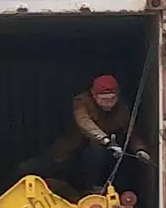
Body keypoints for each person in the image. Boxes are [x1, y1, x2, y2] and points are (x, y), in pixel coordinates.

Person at [17, 74, 150, 196]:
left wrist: (140, 150)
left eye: (112, 99)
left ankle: (94, 188)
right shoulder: (82, 101)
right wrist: (106, 141)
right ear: (93, 94)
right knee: (26, 169)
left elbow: (131, 133)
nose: (108, 103)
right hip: (67, 153)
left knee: (98, 153)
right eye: (103, 100)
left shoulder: (122, 110)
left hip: (96, 162)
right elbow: (83, 121)